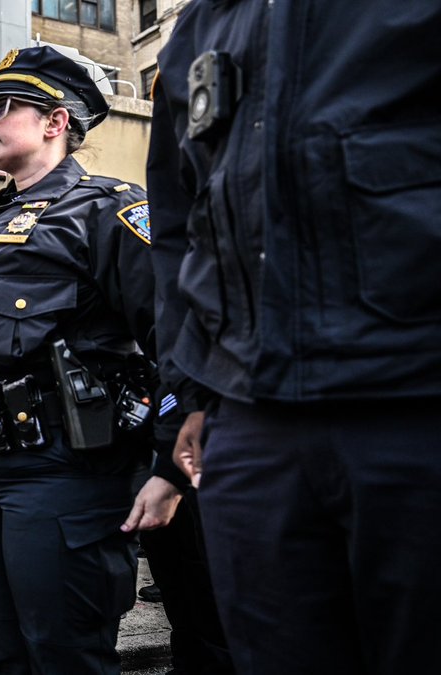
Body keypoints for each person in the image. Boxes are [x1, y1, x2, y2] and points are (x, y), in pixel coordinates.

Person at [146, 3, 441, 673]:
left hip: (415, 394)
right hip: (253, 424)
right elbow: (180, 225)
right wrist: (194, 388)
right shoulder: (199, 27)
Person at [0, 46, 174, 674]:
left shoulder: (106, 210)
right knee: (7, 651)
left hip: (61, 469)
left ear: (55, 122)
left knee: (66, 653)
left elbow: (178, 338)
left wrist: (170, 462)